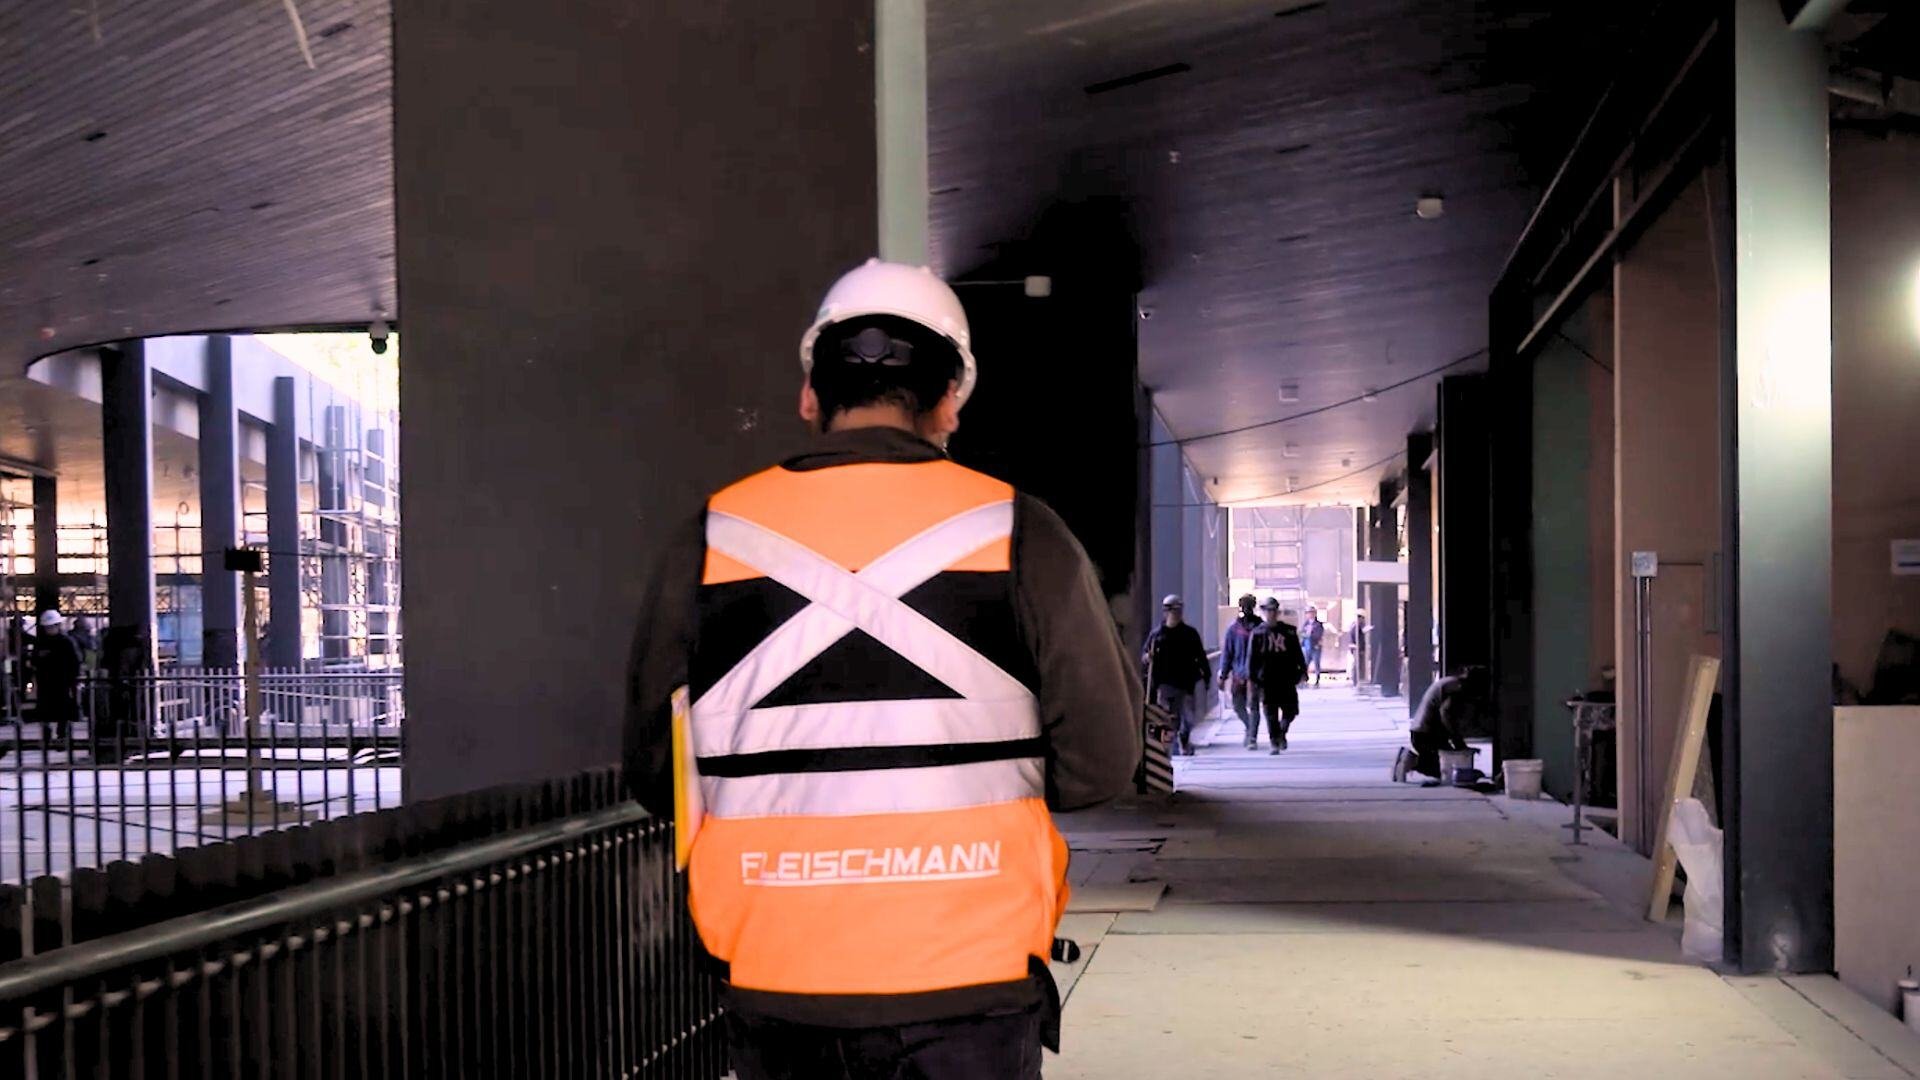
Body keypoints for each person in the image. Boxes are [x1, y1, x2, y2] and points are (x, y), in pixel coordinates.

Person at [622, 259, 1141, 1080]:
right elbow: (1101, 764)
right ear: (951, 401)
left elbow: (656, 769)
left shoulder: (711, 537)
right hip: (969, 985)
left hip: (777, 983)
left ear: (810, 395)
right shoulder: (1020, 532)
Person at [1395, 665, 1490, 782]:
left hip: (1423, 732)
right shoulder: (1456, 688)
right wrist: (1457, 739)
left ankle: (1411, 759)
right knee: (1443, 769)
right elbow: (1446, 713)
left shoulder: (1451, 682)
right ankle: (1411, 761)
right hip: (1426, 734)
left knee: (1448, 767)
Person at [1144, 594, 1211, 756]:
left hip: (1186, 683)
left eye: (1178, 610)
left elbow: (1201, 657)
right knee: (1168, 718)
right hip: (1165, 684)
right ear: (1166, 612)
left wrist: (1206, 677)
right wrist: (1147, 657)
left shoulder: (1190, 634)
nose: (1176, 614)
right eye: (1173, 610)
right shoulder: (1157, 635)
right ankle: (1168, 749)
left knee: (1188, 718)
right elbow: (1145, 654)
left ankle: (1184, 739)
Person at [1248, 598, 1308, 753]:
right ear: (1264, 612)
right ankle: (1274, 741)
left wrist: (1303, 671)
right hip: (1266, 680)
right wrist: (1252, 679)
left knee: (1291, 710)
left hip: (1286, 678)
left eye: (1274, 610)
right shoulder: (1258, 633)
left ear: (1277, 612)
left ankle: (1281, 732)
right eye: (1268, 610)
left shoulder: (1288, 632)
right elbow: (1252, 658)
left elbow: (1297, 653)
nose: (1271, 614)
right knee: (1270, 713)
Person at [1217, 594, 1263, 749]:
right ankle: (1250, 727)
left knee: (1254, 705)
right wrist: (1223, 674)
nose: (1247, 609)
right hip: (1239, 674)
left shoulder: (1261, 628)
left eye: (1249, 606)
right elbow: (1227, 653)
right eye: (1244, 606)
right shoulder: (1234, 629)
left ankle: (1252, 738)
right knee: (1238, 705)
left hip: (1255, 675)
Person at [31, 609, 83, 737]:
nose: (49, 630)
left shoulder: (66, 642)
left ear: (57, 625)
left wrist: (74, 680)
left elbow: (75, 662)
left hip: (62, 681)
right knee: (46, 708)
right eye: (47, 627)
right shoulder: (41, 643)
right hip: (46, 682)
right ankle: (47, 731)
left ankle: (62, 732)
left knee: (63, 709)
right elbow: (34, 661)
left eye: (51, 627)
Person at [1300, 605, 1326, 687]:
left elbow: (1319, 635)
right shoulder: (1305, 624)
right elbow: (1302, 634)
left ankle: (1317, 679)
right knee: (1305, 664)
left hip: (1315, 647)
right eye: (1308, 613)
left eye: (1311, 612)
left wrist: (1311, 635)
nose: (1310, 614)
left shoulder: (1318, 624)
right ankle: (1304, 679)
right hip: (1306, 647)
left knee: (1316, 663)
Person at [1347, 609, 1369, 684]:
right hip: (1356, 648)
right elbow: (1357, 638)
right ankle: (1355, 680)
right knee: (1357, 665)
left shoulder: (1355, 625)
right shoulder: (1356, 626)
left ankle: (1356, 680)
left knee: (1357, 664)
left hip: (1356, 647)